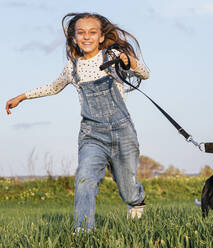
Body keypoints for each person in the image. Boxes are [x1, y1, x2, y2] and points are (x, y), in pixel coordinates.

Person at [5, 12, 149, 232]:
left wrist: (131, 62)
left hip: (123, 132)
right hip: (92, 135)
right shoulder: (72, 68)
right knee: (84, 179)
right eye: (81, 33)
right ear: (74, 38)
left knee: (128, 187)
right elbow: (53, 87)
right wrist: (22, 97)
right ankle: (83, 232)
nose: (87, 37)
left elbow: (145, 74)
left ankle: (137, 202)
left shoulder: (113, 55)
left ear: (101, 37)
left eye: (92, 32)